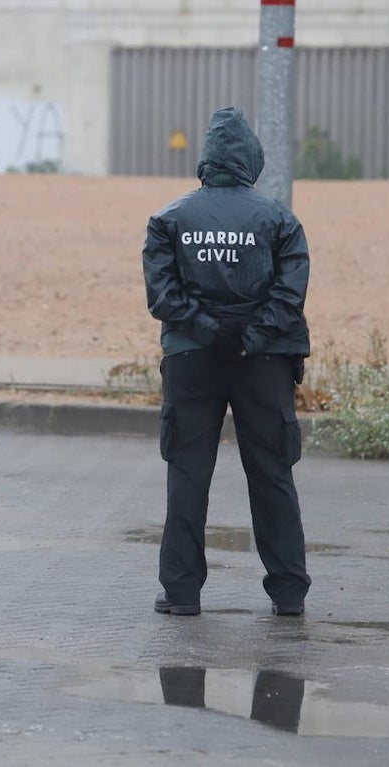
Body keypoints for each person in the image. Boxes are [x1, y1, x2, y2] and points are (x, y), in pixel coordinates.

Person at [142, 106, 311, 617]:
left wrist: (210, 330)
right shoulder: (280, 219)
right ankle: (288, 594)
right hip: (265, 363)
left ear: (206, 161)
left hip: (192, 359)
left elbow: (163, 297)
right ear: (251, 161)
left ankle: (182, 593)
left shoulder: (169, 220)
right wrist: (250, 337)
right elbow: (290, 294)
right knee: (272, 475)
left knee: (188, 474)